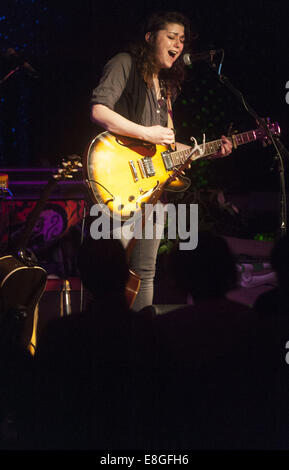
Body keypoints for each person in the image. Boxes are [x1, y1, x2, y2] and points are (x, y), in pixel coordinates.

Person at [90, 11, 232, 312]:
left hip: (153, 191)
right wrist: (147, 132)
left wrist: (209, 149)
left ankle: (143, 336)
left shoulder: (167, 87)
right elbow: (100, 111)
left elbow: (165, 148)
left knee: (146, 270)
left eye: (182, 40)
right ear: (150, 37)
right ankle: (101, 339)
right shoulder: (124, 63)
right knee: (109, 274)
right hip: (121, 182)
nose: (178, 45)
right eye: (171, 37)